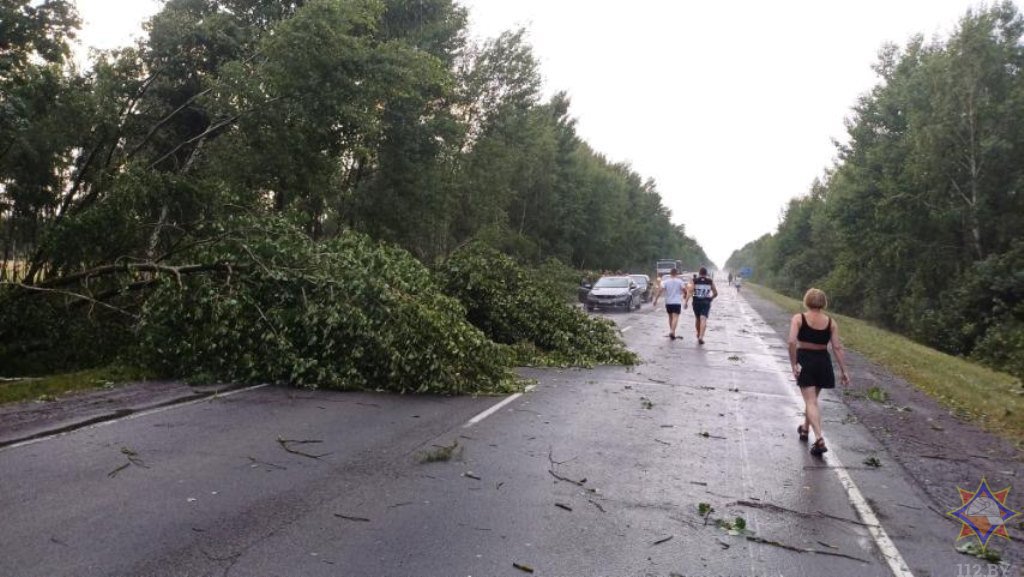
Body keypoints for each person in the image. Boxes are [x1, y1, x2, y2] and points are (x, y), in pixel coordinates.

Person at [787, 288, 850, 456]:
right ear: (823, 303)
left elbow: (791, 342)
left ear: (807, 300)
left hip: (805, 360)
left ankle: (819, 439)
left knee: (810, 402)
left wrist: (794, 364)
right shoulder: (831, 322)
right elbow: (837, 347)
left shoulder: (799, 318)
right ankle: (805, 429)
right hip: (823, 362)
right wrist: (844, 370)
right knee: (812, 400)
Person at [686, 267, 718, 345]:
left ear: (699, 273)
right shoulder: (710, 281)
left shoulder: (694, 280)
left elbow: (690, 291)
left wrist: (686, 302)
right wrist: (711, 298)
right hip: (706, 302)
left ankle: (698, 333)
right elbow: (715, 293)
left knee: (697, 318)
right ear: (706, 273)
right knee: (703, 319)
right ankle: (701, 337)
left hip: (696, 302)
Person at [652, 268, 685, 340]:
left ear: (670, 273)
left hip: (668, 302)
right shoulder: (680, 281)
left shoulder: (665, 282)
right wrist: (685, 295)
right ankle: (672, 331)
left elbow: (660, 291)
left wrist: (656, 300)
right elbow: (684, 290)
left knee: (670, 317)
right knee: (675, 317)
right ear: (676, 273)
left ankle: (672, 332)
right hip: (676, 302)